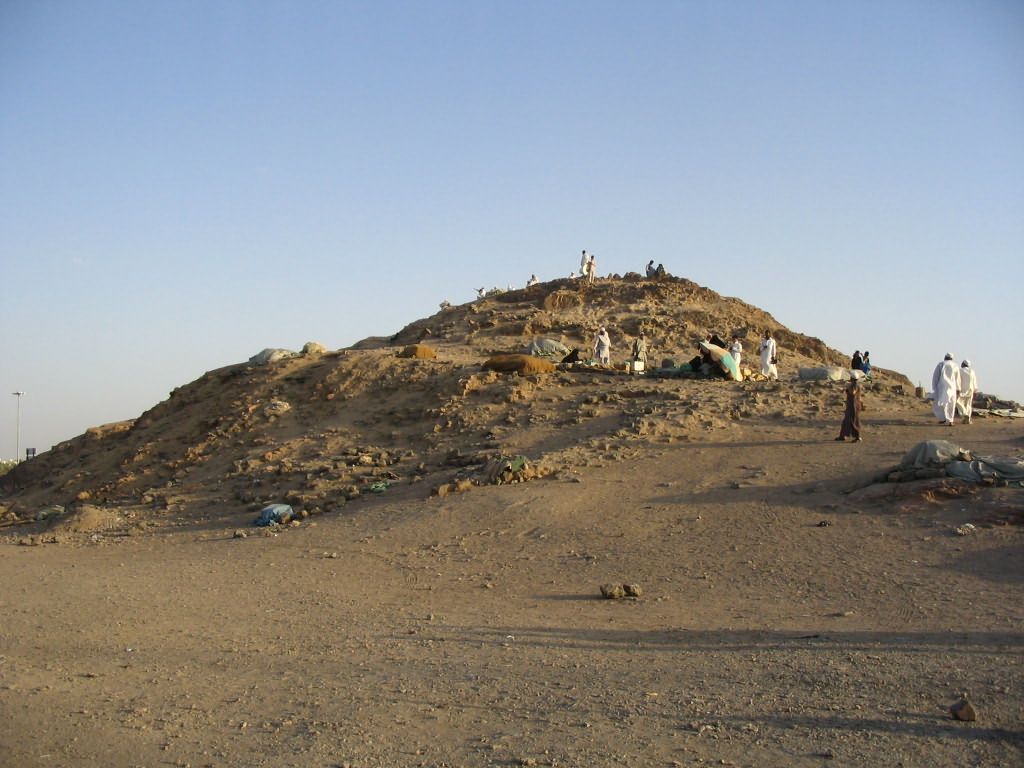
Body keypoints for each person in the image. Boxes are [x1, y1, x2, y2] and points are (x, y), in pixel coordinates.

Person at [931, 353, 959, 425]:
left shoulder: (941, 364)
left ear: (945, 357)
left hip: (941, 386)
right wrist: (958, 388)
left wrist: (934, 387)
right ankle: (950, 420)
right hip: (952, 387)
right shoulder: (955, 365)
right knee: (951, 403)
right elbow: (957, 378)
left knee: (941, 402)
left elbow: (935, 376)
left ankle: (943, 418)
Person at [835, 373, 863, 442]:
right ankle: (843, 436)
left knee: (853, 421)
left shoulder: (855, 385)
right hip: (852, 405)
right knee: (846, 422)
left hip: (853, 406)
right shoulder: (854, 384)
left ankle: (858, 437)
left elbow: (853, 392)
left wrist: (847, 388)